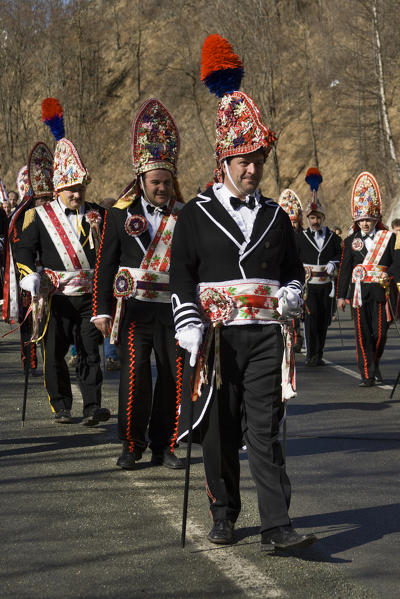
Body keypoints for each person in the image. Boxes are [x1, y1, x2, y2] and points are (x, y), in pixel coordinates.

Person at [170, 34, 317, 552]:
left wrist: (293, 294)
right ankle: (224, 513)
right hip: (215, 338)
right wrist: (187, 320)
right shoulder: (194, 215)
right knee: (219, 431)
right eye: (242, 160)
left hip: (264, 339)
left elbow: (294, 271)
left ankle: (277, 525)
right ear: (223, 160)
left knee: (267, 430)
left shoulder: (277, 217)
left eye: (257, 158)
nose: (252, 168)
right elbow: (181, 275)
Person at [92, 98, 184, 470]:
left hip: (173, 310)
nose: (162, 188)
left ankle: (167, 444)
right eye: (156, 182)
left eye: (167, 182)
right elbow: (105, 264)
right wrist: (100, 309)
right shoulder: (118, 215)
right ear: (141, 181)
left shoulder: (185, 214)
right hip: (133, 311)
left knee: (174, 377)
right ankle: (132, 444)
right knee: (135, 376)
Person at [14, 100, 109, 425]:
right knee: (54, 353)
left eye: (80, 189)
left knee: (89, 349)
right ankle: (62, 404)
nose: (76, 195)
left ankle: (93, 405)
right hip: (55, 295)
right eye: (70, 189)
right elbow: (24, 249)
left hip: (88, 295)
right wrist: (28, 276)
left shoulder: (98, 213)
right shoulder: (39, 217)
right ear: (59, 189)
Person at [337, 172, 399, 386]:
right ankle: (367, 374)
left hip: (382, 292)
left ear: (376, 219)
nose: (365, 223)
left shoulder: (389, 238)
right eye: (361, 219)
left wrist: (388, 274)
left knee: (380, 333)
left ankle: (375, 362)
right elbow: (345, 270)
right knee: (362, 334)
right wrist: (341, 296)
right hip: (358, 294)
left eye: (368, 219)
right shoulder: (350, 241)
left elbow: (397, 262)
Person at [296, 169, 342, 366]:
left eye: (318, 218)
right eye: (312, 218)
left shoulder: (333, 238)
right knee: (311, 319)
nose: (315, 221)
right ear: (308, 219)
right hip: (309, 286)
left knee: (324, 321)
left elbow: (340, 254)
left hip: (326, 286)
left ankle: (319, 353)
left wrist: (334, 263)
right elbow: (294, 259)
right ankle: (311, 353)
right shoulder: (301, 238)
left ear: (323, 218)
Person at [278, 188, 304, 351]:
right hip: (283, 277)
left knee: (297, 309)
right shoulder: (278, 237)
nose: (292, 224)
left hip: (302, 277)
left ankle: (297, 335)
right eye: (289, 221)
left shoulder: (303, 237)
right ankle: (290, 336)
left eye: (294, 221)